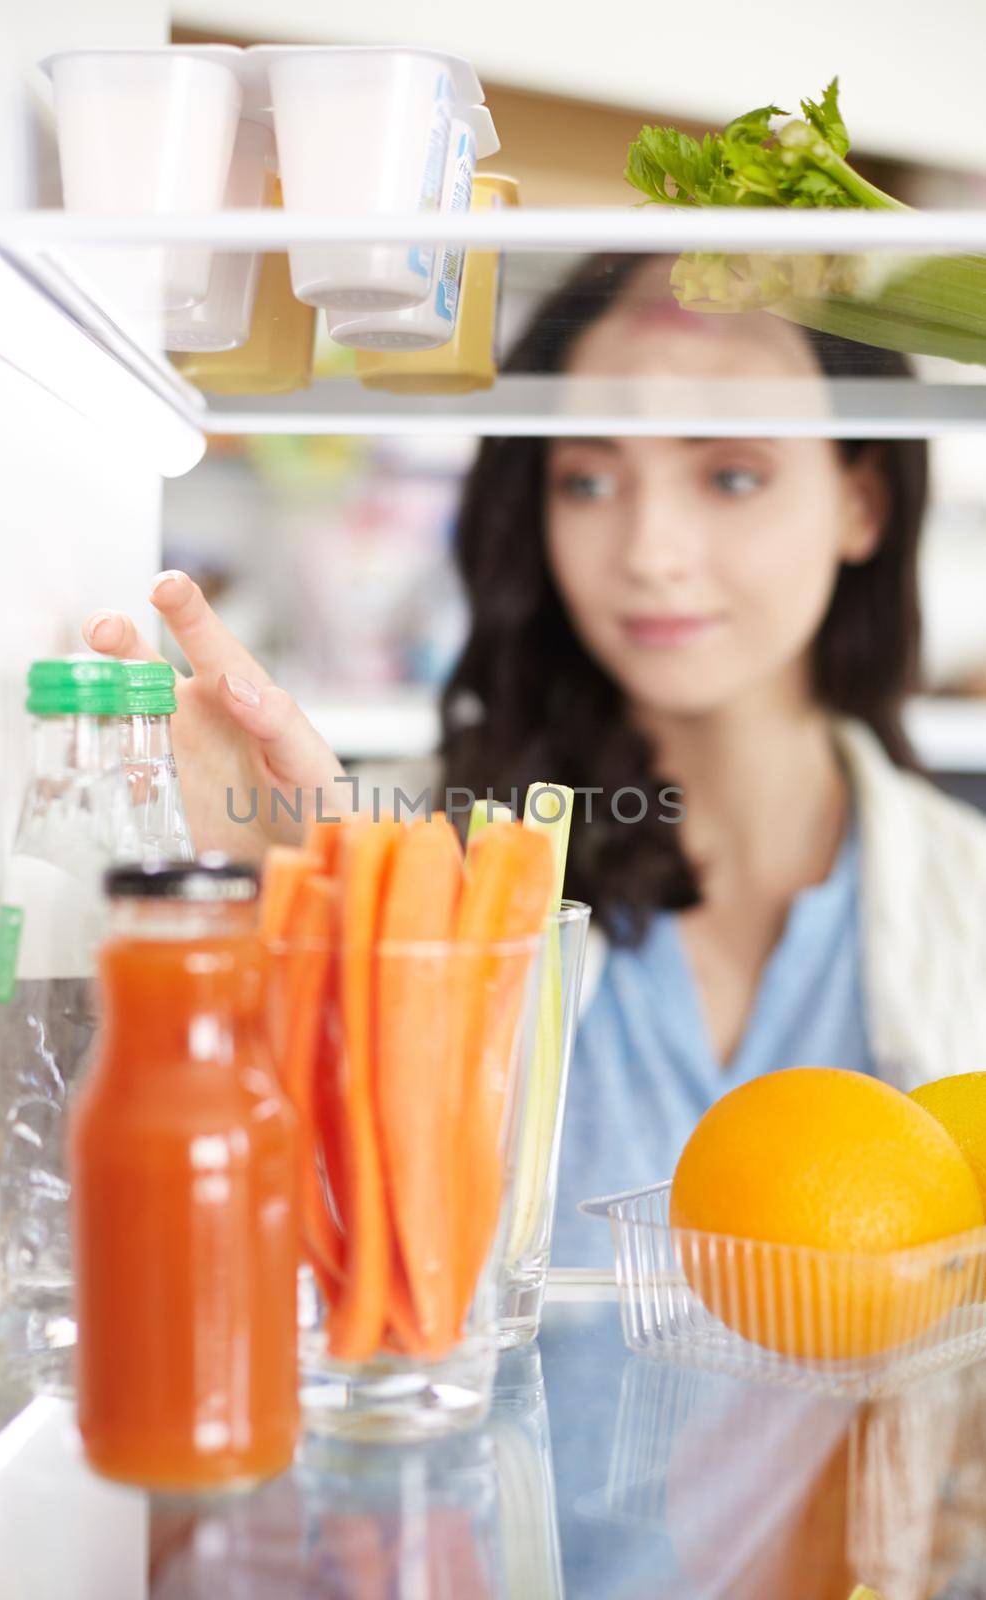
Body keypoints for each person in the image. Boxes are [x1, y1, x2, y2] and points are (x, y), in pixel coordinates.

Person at [82, 253, 986, 1267]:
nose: (648, 548)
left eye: (731, 475)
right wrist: (290, 923)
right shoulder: (399, 836)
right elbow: (278, 1249)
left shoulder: (967, 895)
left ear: (861, 503)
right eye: (587, 479)